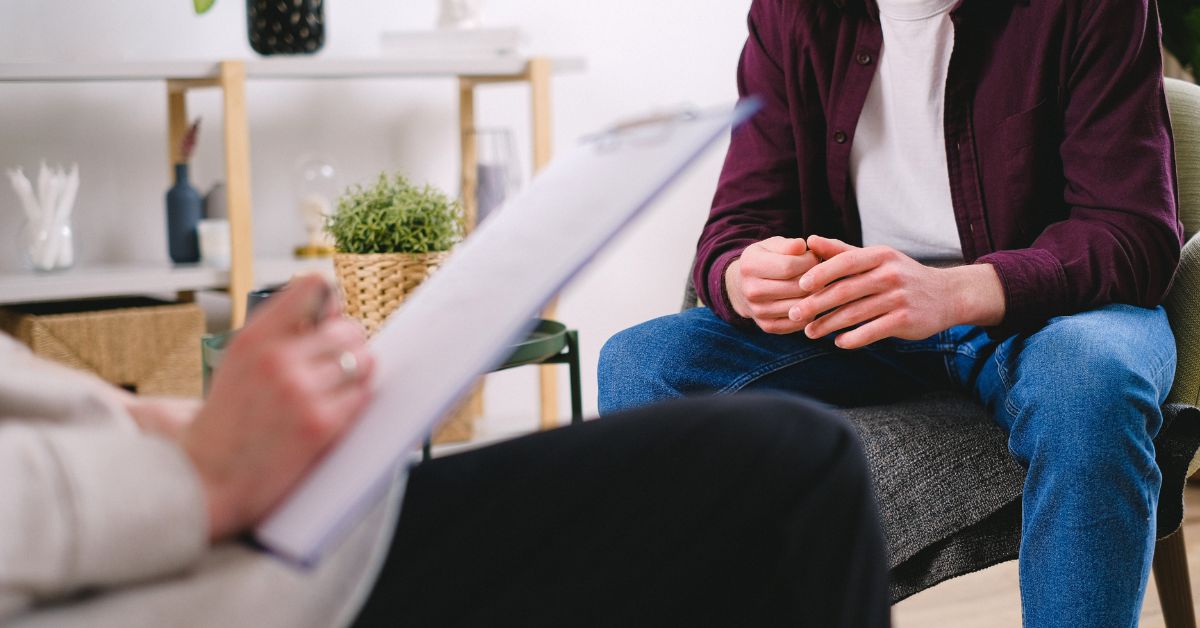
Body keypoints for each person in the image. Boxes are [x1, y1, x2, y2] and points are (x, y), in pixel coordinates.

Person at [598, 0, 1181, 626]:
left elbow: (1134, 234)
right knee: (638, 364)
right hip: (860, 324)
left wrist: (953, 292)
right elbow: (738, 223)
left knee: (1090, 384)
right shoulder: (790, 12)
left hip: (1047, 314)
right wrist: (743, 276)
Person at [1, 275, 890, 628]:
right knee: (784, 467)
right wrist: (194, 474)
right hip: (170, 572)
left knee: (773, 465)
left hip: (161, 526)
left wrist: (171, 427)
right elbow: (735, 223)